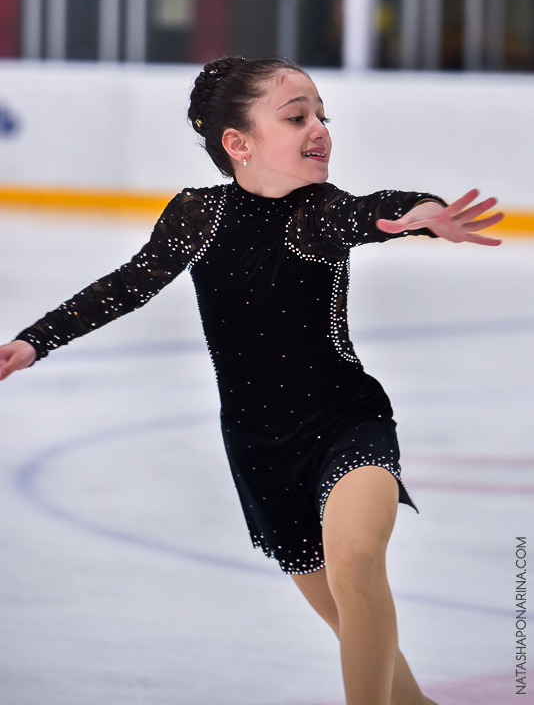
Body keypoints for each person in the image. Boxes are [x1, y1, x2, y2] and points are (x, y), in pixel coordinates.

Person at [0, 56, 503, 705]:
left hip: (346, 424)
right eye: (296, 117)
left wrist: (424, 211)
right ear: (238, 143)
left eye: (322, 114)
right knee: (351, 621)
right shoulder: (198, 215)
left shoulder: (317, 214)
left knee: (355, 558)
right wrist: (35, 340)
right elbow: (130, 283)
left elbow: (375, 210)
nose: (319, 128)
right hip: (260, 451)